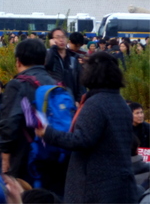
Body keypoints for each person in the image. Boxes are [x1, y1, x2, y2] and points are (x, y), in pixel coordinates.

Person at [35, 51, 138, 203]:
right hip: (118, 185)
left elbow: (81, 140)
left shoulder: (95, 104)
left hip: (95, 186)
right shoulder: (121, 103)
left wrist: (48, 133)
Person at [0, 39, 57, 185]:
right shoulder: (56, 85)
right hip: (56, 154)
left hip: (25, 156)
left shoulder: (18, 85)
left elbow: (9, 122)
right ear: (44, 60)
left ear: (18, 61)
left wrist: (6, 155)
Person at [44, 28, 81, 102]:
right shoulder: (49, 55)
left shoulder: (73, 57)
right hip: (54, 99)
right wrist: (53, 48)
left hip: (71, 99)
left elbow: (79, 80)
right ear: (51, 40)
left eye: (63, 37)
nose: (61, 40)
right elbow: (47, 65)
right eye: (57, 37)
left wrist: (78, 99)